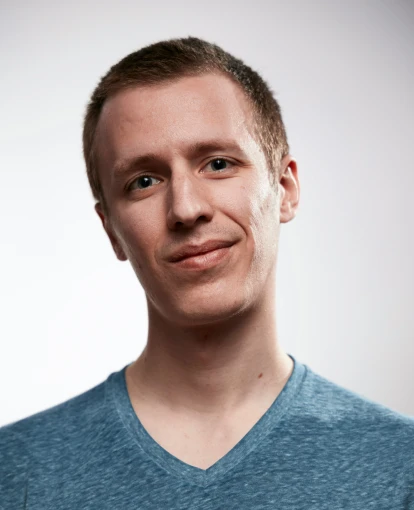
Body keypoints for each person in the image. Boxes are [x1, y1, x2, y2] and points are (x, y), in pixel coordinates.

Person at [1, 36, 413, 509]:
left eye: (218, 164)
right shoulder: (16, 473)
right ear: (111, 229)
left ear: (284, 189)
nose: (185, 208)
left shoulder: (400, 468)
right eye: (144, 181)